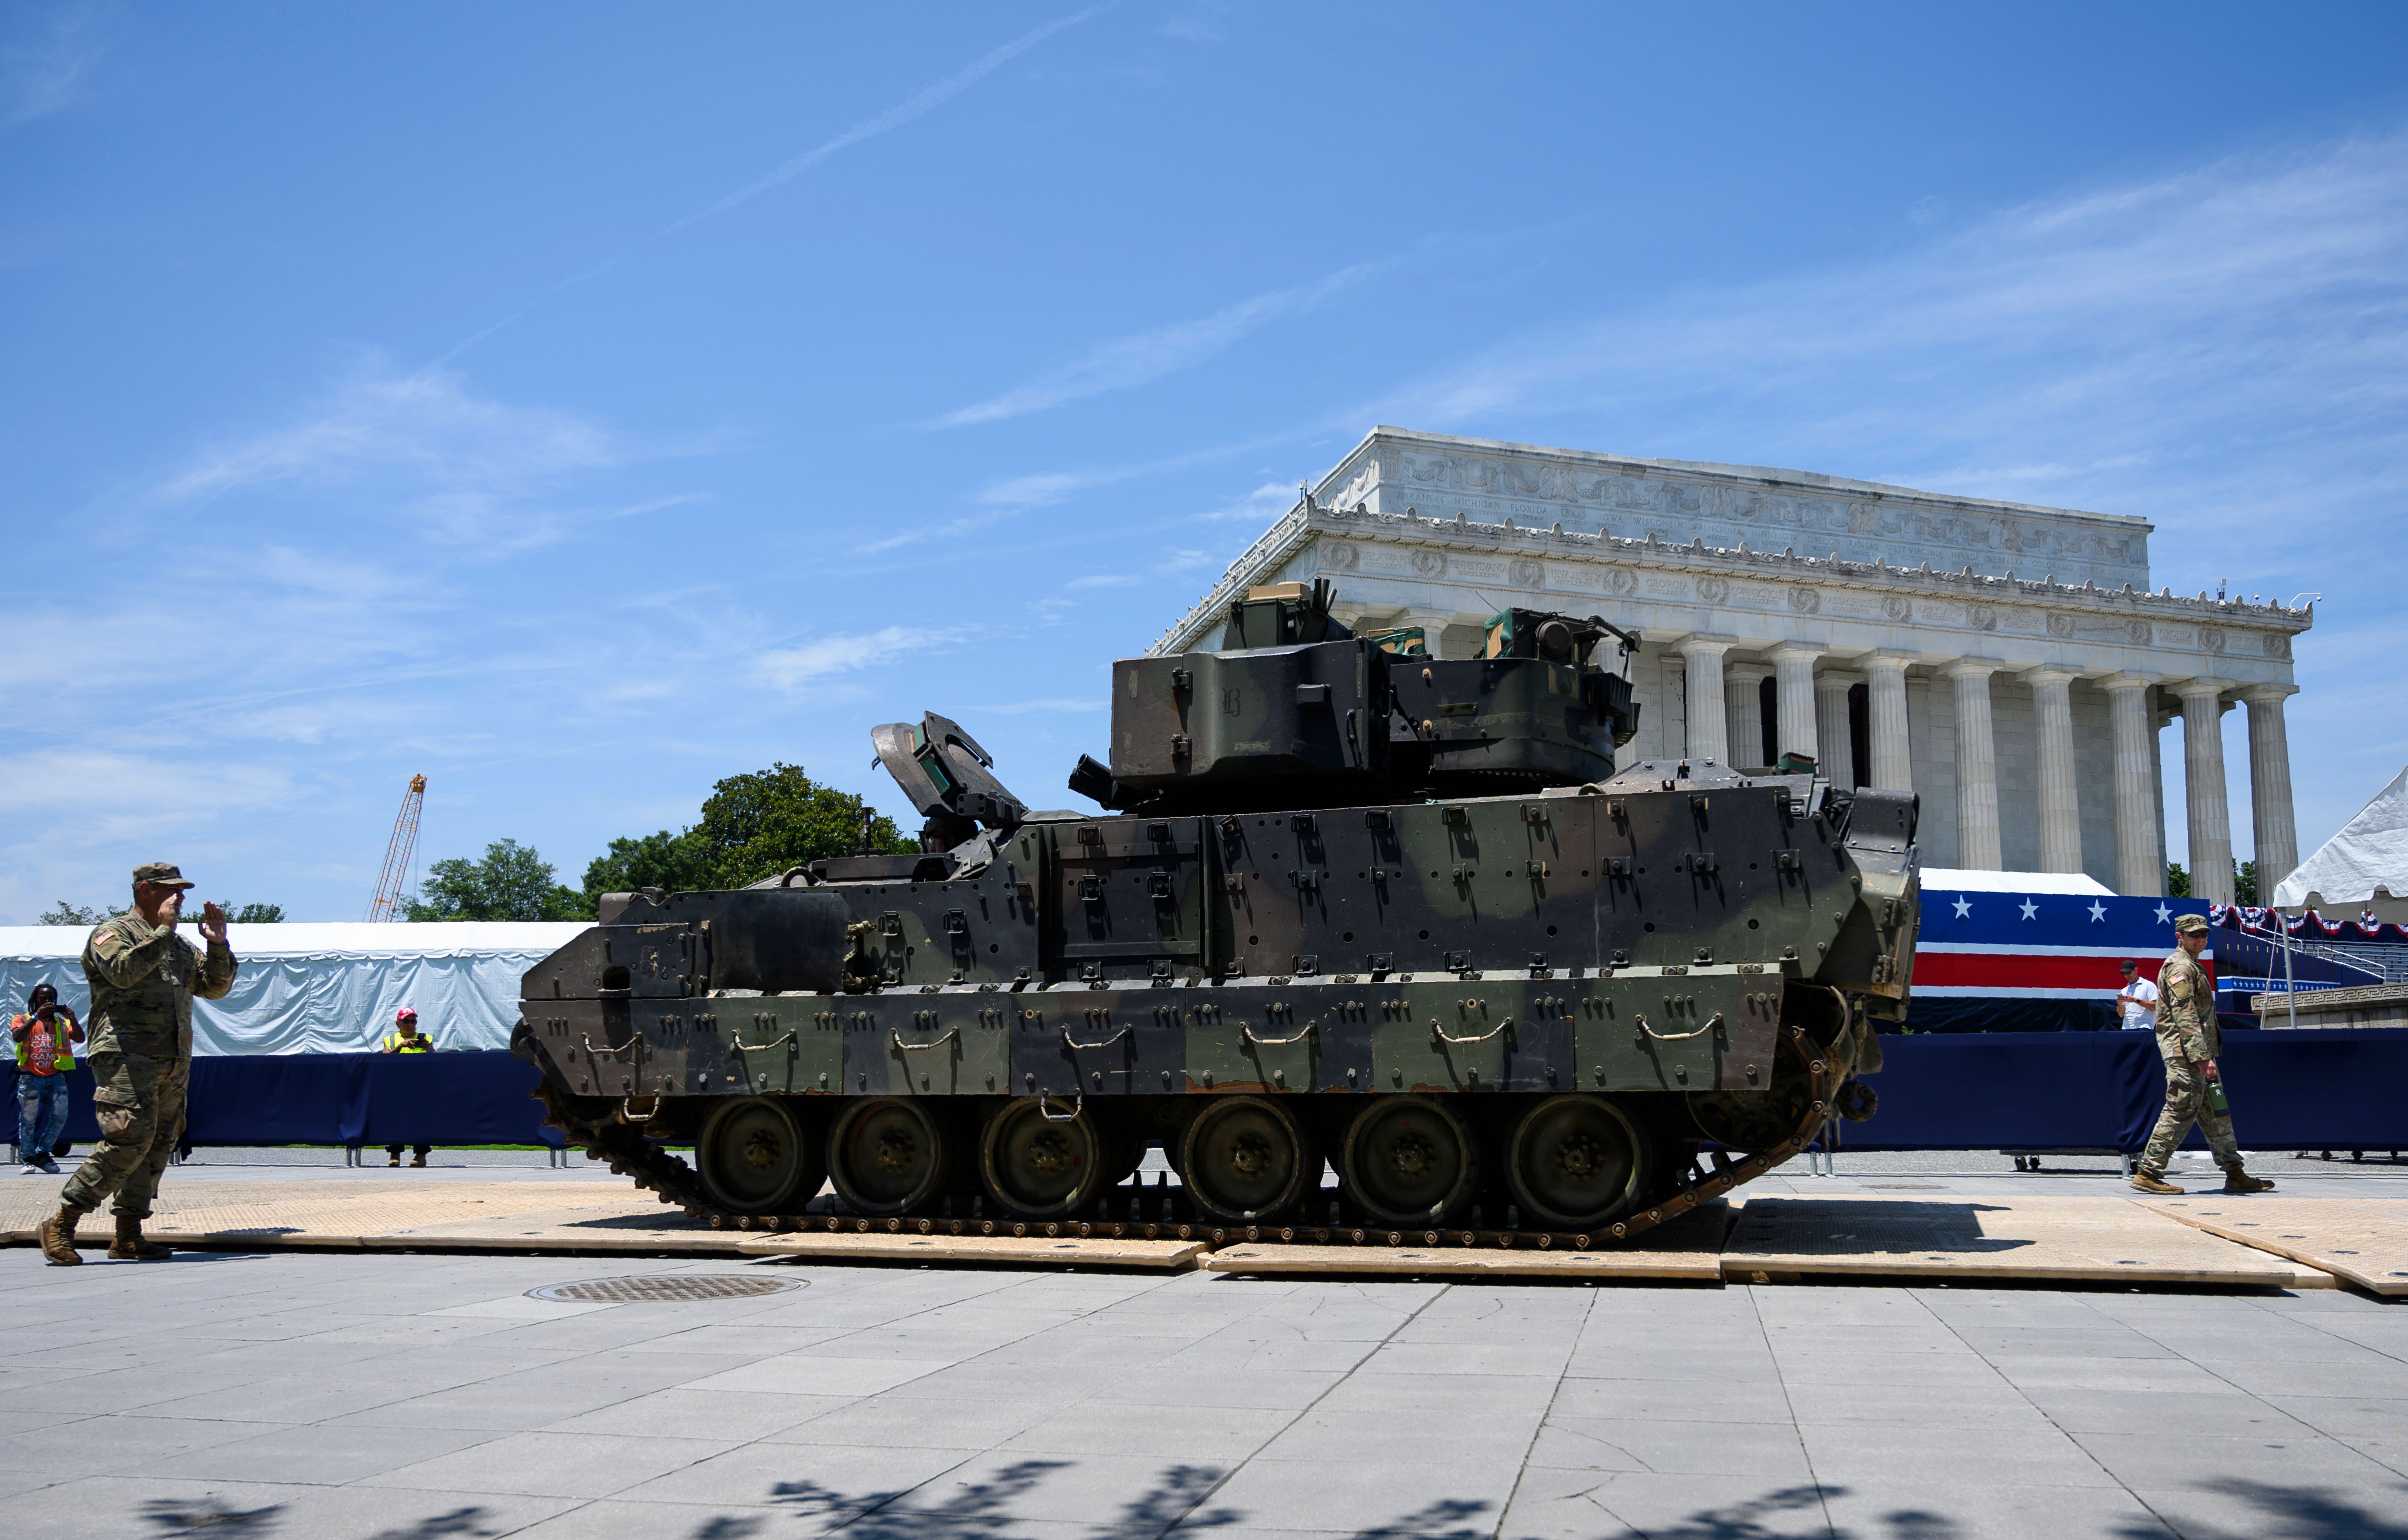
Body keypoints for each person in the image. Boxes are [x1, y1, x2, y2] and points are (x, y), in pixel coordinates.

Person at [37, 863, 237, 1265]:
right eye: (172, 890)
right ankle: (63, 1219)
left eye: (182, 891)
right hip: (127, 1056)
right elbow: (123, 973)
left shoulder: (180, 945)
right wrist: (162, 932)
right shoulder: (112, 934)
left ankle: (128, 1234)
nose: (180, 898)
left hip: (173, 1059)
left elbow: (215, 988)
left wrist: (218, 946)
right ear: (145, 890)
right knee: (127, 1138)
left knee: (160, 1142)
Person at [2131, 913, 2274, 1196]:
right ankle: (2148, 1172)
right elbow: (2185, 1016)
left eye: (2204, 934)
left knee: (2215, 1112)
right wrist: (2202, 1058)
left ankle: (2235, 1173)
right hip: (2185, 1053)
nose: (2201, 938)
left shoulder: (2193, 965)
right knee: (2181, 1107)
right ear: (2179, 937)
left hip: (2198, 1053)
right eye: (2194, 934)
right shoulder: (2180, 967)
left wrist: (2205, 1055)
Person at [12, 983, 84, 1174]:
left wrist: (73, 1019)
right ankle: (28, 1158)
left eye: (51, 999)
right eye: (43, 999)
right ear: (35, 1001)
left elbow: (80, 1038)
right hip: (30, 1076)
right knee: (28, 1120)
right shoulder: (22, 1019)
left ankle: (43, 1153)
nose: (47, 1002)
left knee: (61, 1116)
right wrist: (36, 1015)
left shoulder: (61, 1022)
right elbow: (18, 1037)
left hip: (56, 1077)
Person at [379, 1007, 434, 1167]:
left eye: (413, 1021)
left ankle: (420, 1155)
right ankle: (395, 1154)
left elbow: (437, 1059)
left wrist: (428, 1048)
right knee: (395, 1119)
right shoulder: (390, 1040)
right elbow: (384, 1060)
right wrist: (401, 1046)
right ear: (398, 1024)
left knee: (421, 1120)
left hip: (420, 1085)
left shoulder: (425, 1038)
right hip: (397, 1085)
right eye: (406, 1021)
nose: (411, 1024)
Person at [2114, 960, 2159, 1031]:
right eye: (2124, 974)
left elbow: (2156, 1007)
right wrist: (2120, 1004)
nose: (2127, 976)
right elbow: (2121, 1015)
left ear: (2136, 970)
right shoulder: (2125, 990)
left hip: (2145, 1026)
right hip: (2126, 1027)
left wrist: (2136, 1000)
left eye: (2129, 973)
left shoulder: (2148, 985)